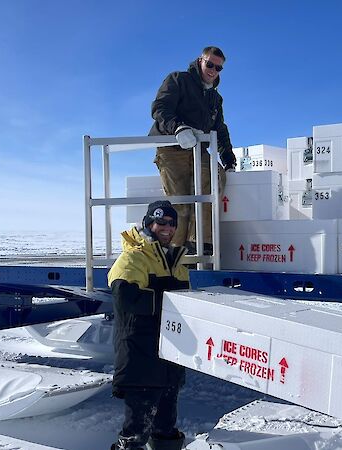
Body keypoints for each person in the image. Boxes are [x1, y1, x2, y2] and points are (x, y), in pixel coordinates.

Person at [107, 200, 190, 450]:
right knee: (135, 434)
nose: (167, 228)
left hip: (168, 359)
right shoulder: (134, 256)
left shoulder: (176, 262)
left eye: (171, 223)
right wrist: (171, 302)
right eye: (160, 222)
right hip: (141, 356)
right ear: (148, 223)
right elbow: (126, 297)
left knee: (165, 429)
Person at [149, 46, 236, 255]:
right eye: (210, 64)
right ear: (200, 61)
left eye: (219, 68)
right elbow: (160, 108)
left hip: (198, 151)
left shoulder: (215, 99)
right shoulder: (179, 80)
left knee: (214, 180)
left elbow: (220, 129)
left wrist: (229, 159)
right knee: (181, 202)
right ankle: (174, 253)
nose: (213, 70)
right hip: (172, 149)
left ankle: (200, 244)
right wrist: (178, 127)